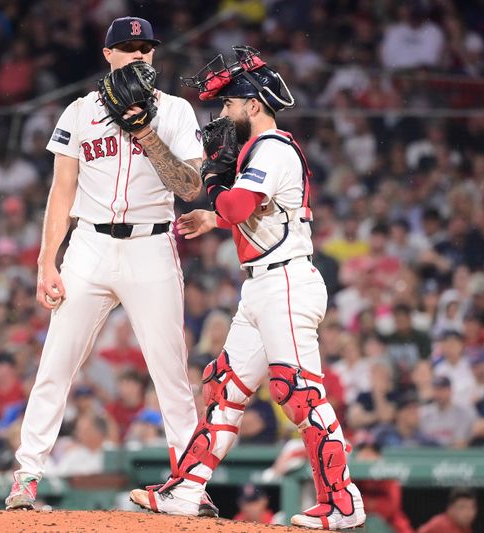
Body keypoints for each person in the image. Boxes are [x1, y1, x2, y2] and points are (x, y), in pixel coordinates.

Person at [129, 46, 365, 530]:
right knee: (223, 389)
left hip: (286, 283)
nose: (222, 116)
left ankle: (343, 501)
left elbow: (239, 206)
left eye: (228, 106)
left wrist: (215, 181)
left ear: (252, 105)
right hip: (263, 285)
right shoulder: (259, 151)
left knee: (299, 394)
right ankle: (187, 490)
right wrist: (212, 215)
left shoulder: (273, 146)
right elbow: (251, 213)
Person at [5, 16, 208, 515]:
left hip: (151, 246)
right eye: (128, 47)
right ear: (108, 54)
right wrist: (45, 262)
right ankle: (26, 478)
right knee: (55, 365)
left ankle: (189, 487)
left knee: (171, 374)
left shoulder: (176, 112)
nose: (139, 55)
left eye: (146, 47)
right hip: (90, 248)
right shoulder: (79, 112)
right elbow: (62, 192)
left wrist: (145, 132)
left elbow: (188, 187)